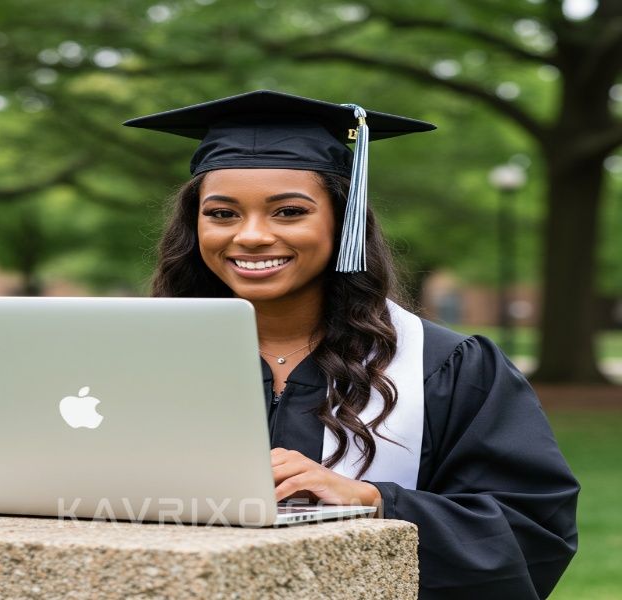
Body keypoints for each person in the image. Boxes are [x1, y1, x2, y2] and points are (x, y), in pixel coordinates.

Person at [124, 90, 579, 599]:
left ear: (344, 222)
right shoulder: (139, 361)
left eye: (289, 212)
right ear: (195, 226)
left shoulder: (443, 366)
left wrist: (373, 501)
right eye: (223, 214)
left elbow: (532, 530)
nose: (250, 236)